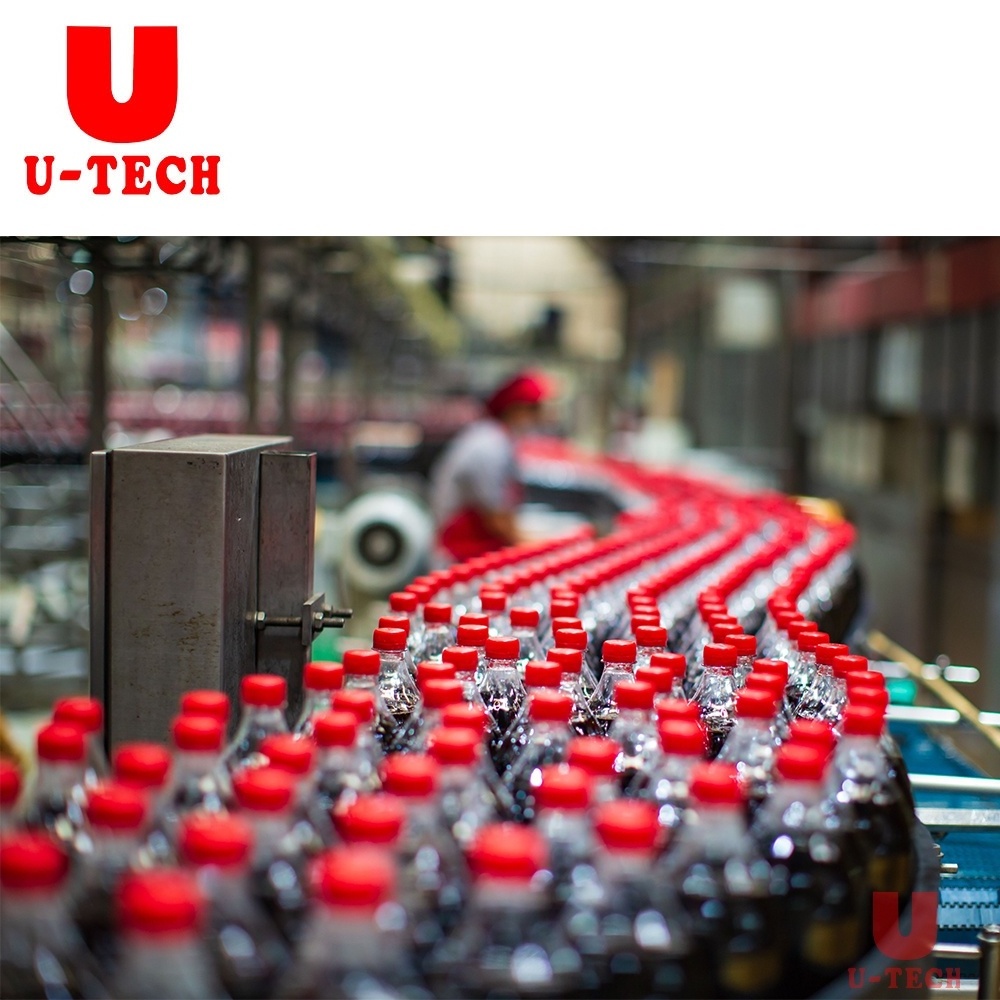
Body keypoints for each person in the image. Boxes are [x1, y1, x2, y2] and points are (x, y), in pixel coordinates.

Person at [430, 371, 552, 562]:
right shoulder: (489, 445)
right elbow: (497, 518)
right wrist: (540, 546)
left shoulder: (498, 439)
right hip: (462, 553)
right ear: (515, 408)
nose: (539, 417)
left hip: (479, 550)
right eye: (534, 409)